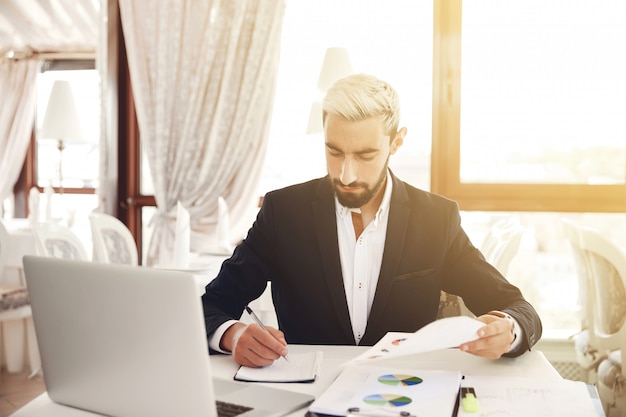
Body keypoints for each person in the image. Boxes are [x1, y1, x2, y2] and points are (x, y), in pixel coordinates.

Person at [202, 73, 542, 368]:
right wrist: (232, 334)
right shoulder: (283, 212)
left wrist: (508, 330)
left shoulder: (436, 219)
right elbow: (210, 306)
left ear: (397, 141)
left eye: (365, 155)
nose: (346, 174)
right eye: (334, 152)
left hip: (402, 397)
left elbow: (518, 308)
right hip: (306, 398)